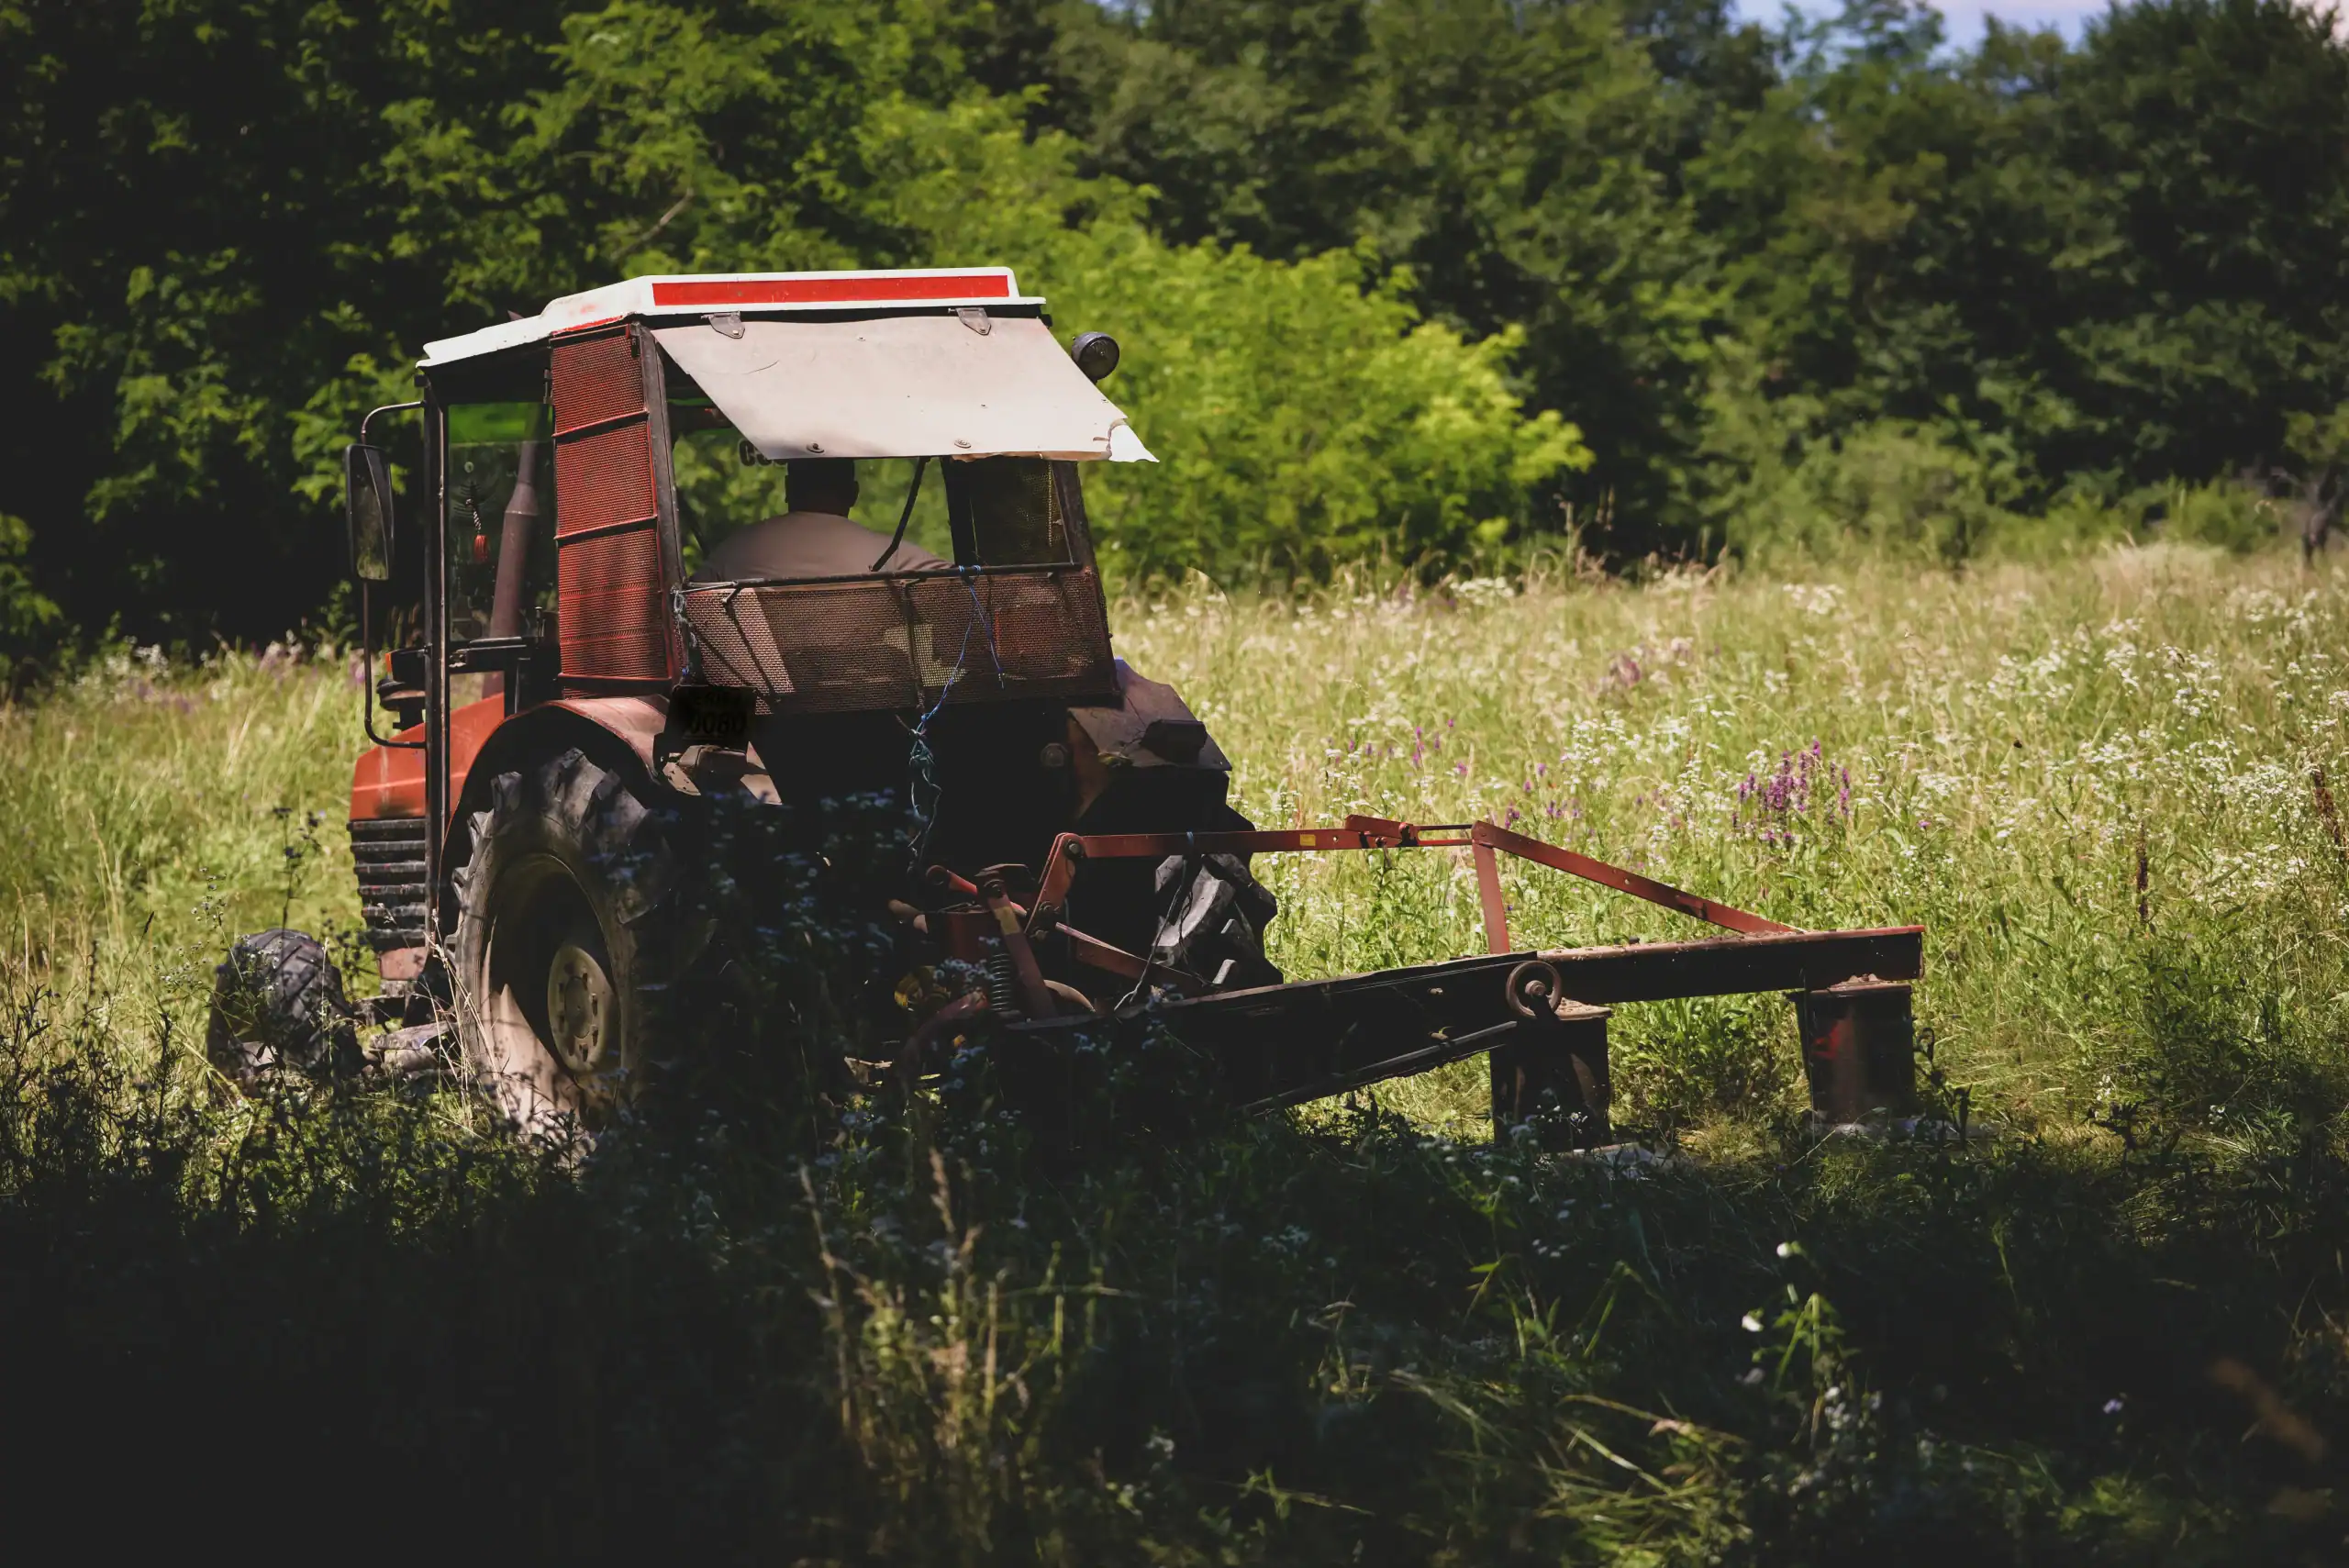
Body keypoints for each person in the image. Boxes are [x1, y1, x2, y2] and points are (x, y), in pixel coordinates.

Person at [692, 457, 946, 582]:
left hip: (761, 683)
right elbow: (962, 584)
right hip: (865, 679)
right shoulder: (889, 554)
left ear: (789, 489)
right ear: (853, 494)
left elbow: (688, 603)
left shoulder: (736, 550)